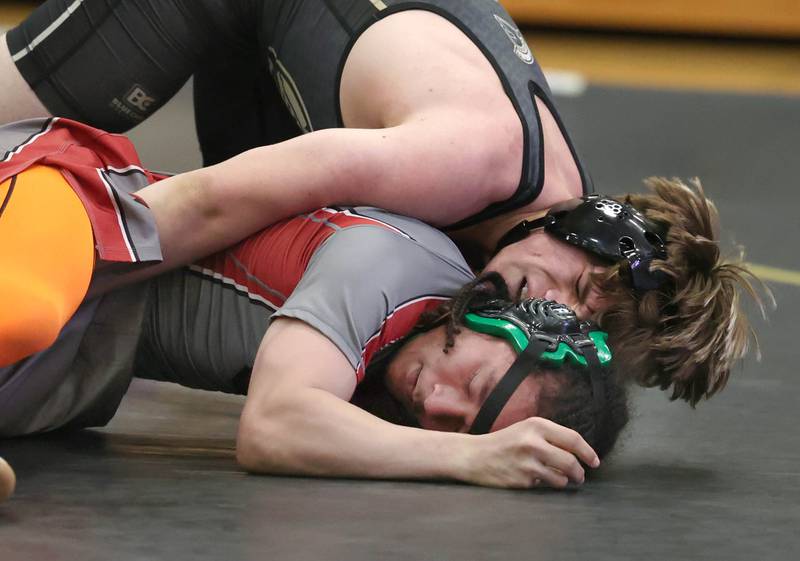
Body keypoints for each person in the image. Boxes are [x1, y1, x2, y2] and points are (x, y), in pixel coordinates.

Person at [0, 1, 764, 406]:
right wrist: (43, 288)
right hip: (275, 36)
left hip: (287, 71)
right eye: (576, 281)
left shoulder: (530, 235)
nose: (547, 305)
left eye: (576, 322)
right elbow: (203, 205)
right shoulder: (465, 159)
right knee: (16, 116)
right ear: (599, 227)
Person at [0, 120, 629, 489]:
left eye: (459, 422)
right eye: (472, 380)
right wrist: (467, 454)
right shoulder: (396, 265)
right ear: (499, 319)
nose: (435, 403)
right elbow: (274, 426)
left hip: (75, 349)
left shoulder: (409, 376)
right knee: (24, 314)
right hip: (59, 206)